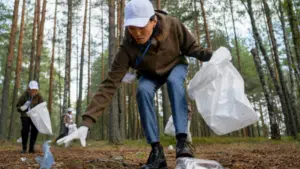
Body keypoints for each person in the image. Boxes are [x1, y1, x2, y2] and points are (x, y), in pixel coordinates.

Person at [57, 0, 212, 168]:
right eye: (132, 28)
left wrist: (213, 56)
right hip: (150, 74)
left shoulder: (173, 24)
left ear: (153, 21)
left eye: (141, 26)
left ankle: (182, 142)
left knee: (175, 82)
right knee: (143, 90)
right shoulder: (127, 48)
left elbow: (193, 48)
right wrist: (86, 124)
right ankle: (156, 151)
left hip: (176, 65)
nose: (137, 33)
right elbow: (109, 84)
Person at [17, 80, 44, 153]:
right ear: (29, 89)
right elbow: (18, 107)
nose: (33, 92)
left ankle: (31, 148)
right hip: (25, 116)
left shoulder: (39, 97)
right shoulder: (24, 96)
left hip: (35, 116)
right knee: (25, 130)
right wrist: (22, 108)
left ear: (37, 90)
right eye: (32, 90)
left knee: (35, 130)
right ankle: (24, 148)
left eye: (35, 90)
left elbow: (43, 107)